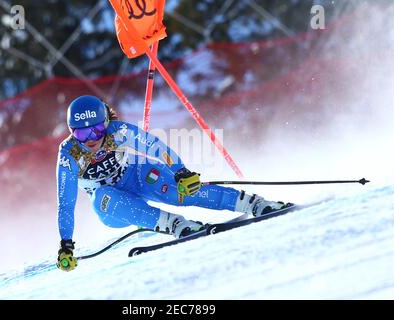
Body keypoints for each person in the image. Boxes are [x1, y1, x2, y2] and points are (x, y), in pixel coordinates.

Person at [56, 95, 287, 271]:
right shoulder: (69, 154)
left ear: (106, 122)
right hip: (112, 207)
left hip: (137, 177)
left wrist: (181, 171)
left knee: (181, 191)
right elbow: (66, 204)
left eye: (97, 130)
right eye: (82, 135)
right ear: (71, 133)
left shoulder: (119, 132)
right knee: (103, 198)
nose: (92, 140)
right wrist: (66, 244)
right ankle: (175, 225)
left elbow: (155, 147)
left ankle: (253, 204)